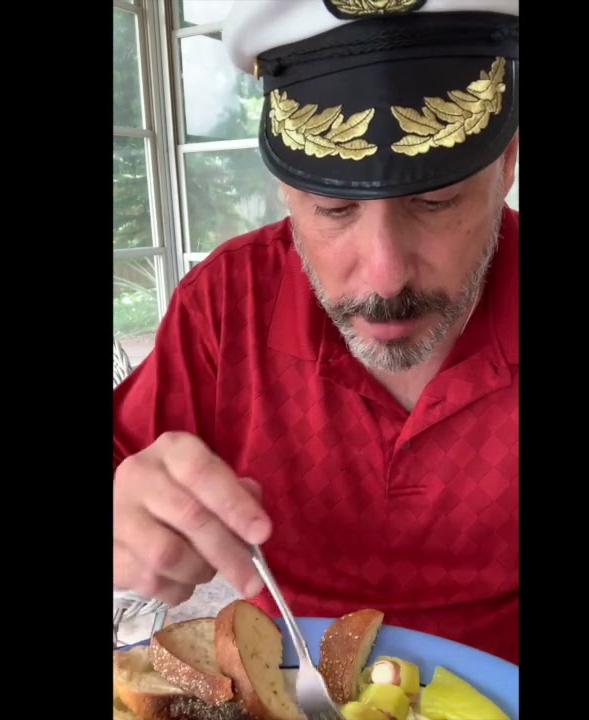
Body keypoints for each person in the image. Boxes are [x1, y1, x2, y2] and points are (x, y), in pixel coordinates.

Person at [113, 0, 520, 664]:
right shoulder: (228, 302)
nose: (385, 277)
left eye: (435, 200)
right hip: (286, 682)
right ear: (285, 188)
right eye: (334, 208)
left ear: (506, 166)